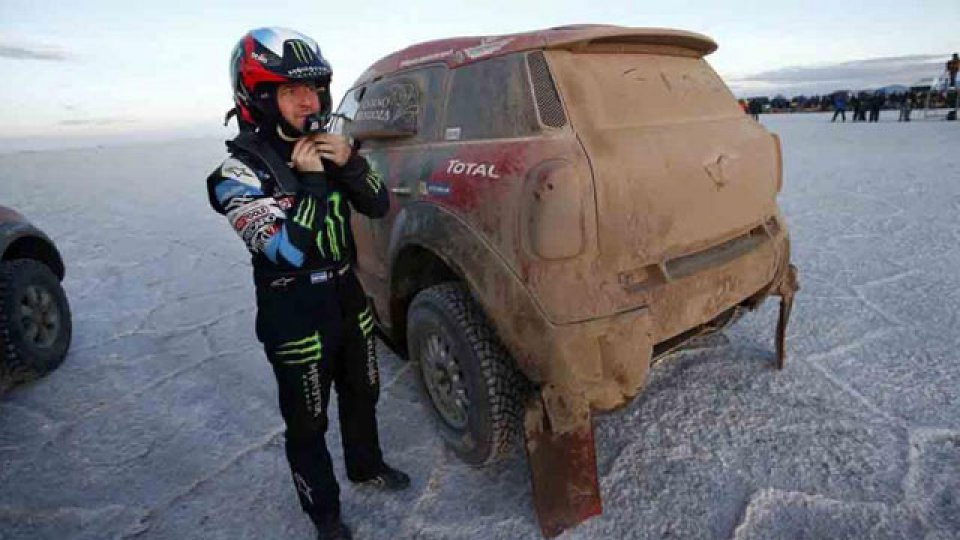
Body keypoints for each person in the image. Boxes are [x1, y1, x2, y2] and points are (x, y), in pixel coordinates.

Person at [206, 27, 408, 540]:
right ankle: (325, 516)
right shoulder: (237, 172)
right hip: (293, 312)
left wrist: (352, 164)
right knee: (307, 421)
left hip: (346, 294)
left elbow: (380, 204)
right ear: (258, 98)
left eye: (315, 88)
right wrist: (314, 185)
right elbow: (285, 251)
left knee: (363, 392)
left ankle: (366, 466)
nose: (310, 101)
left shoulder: (328, 147)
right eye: (292, 91)